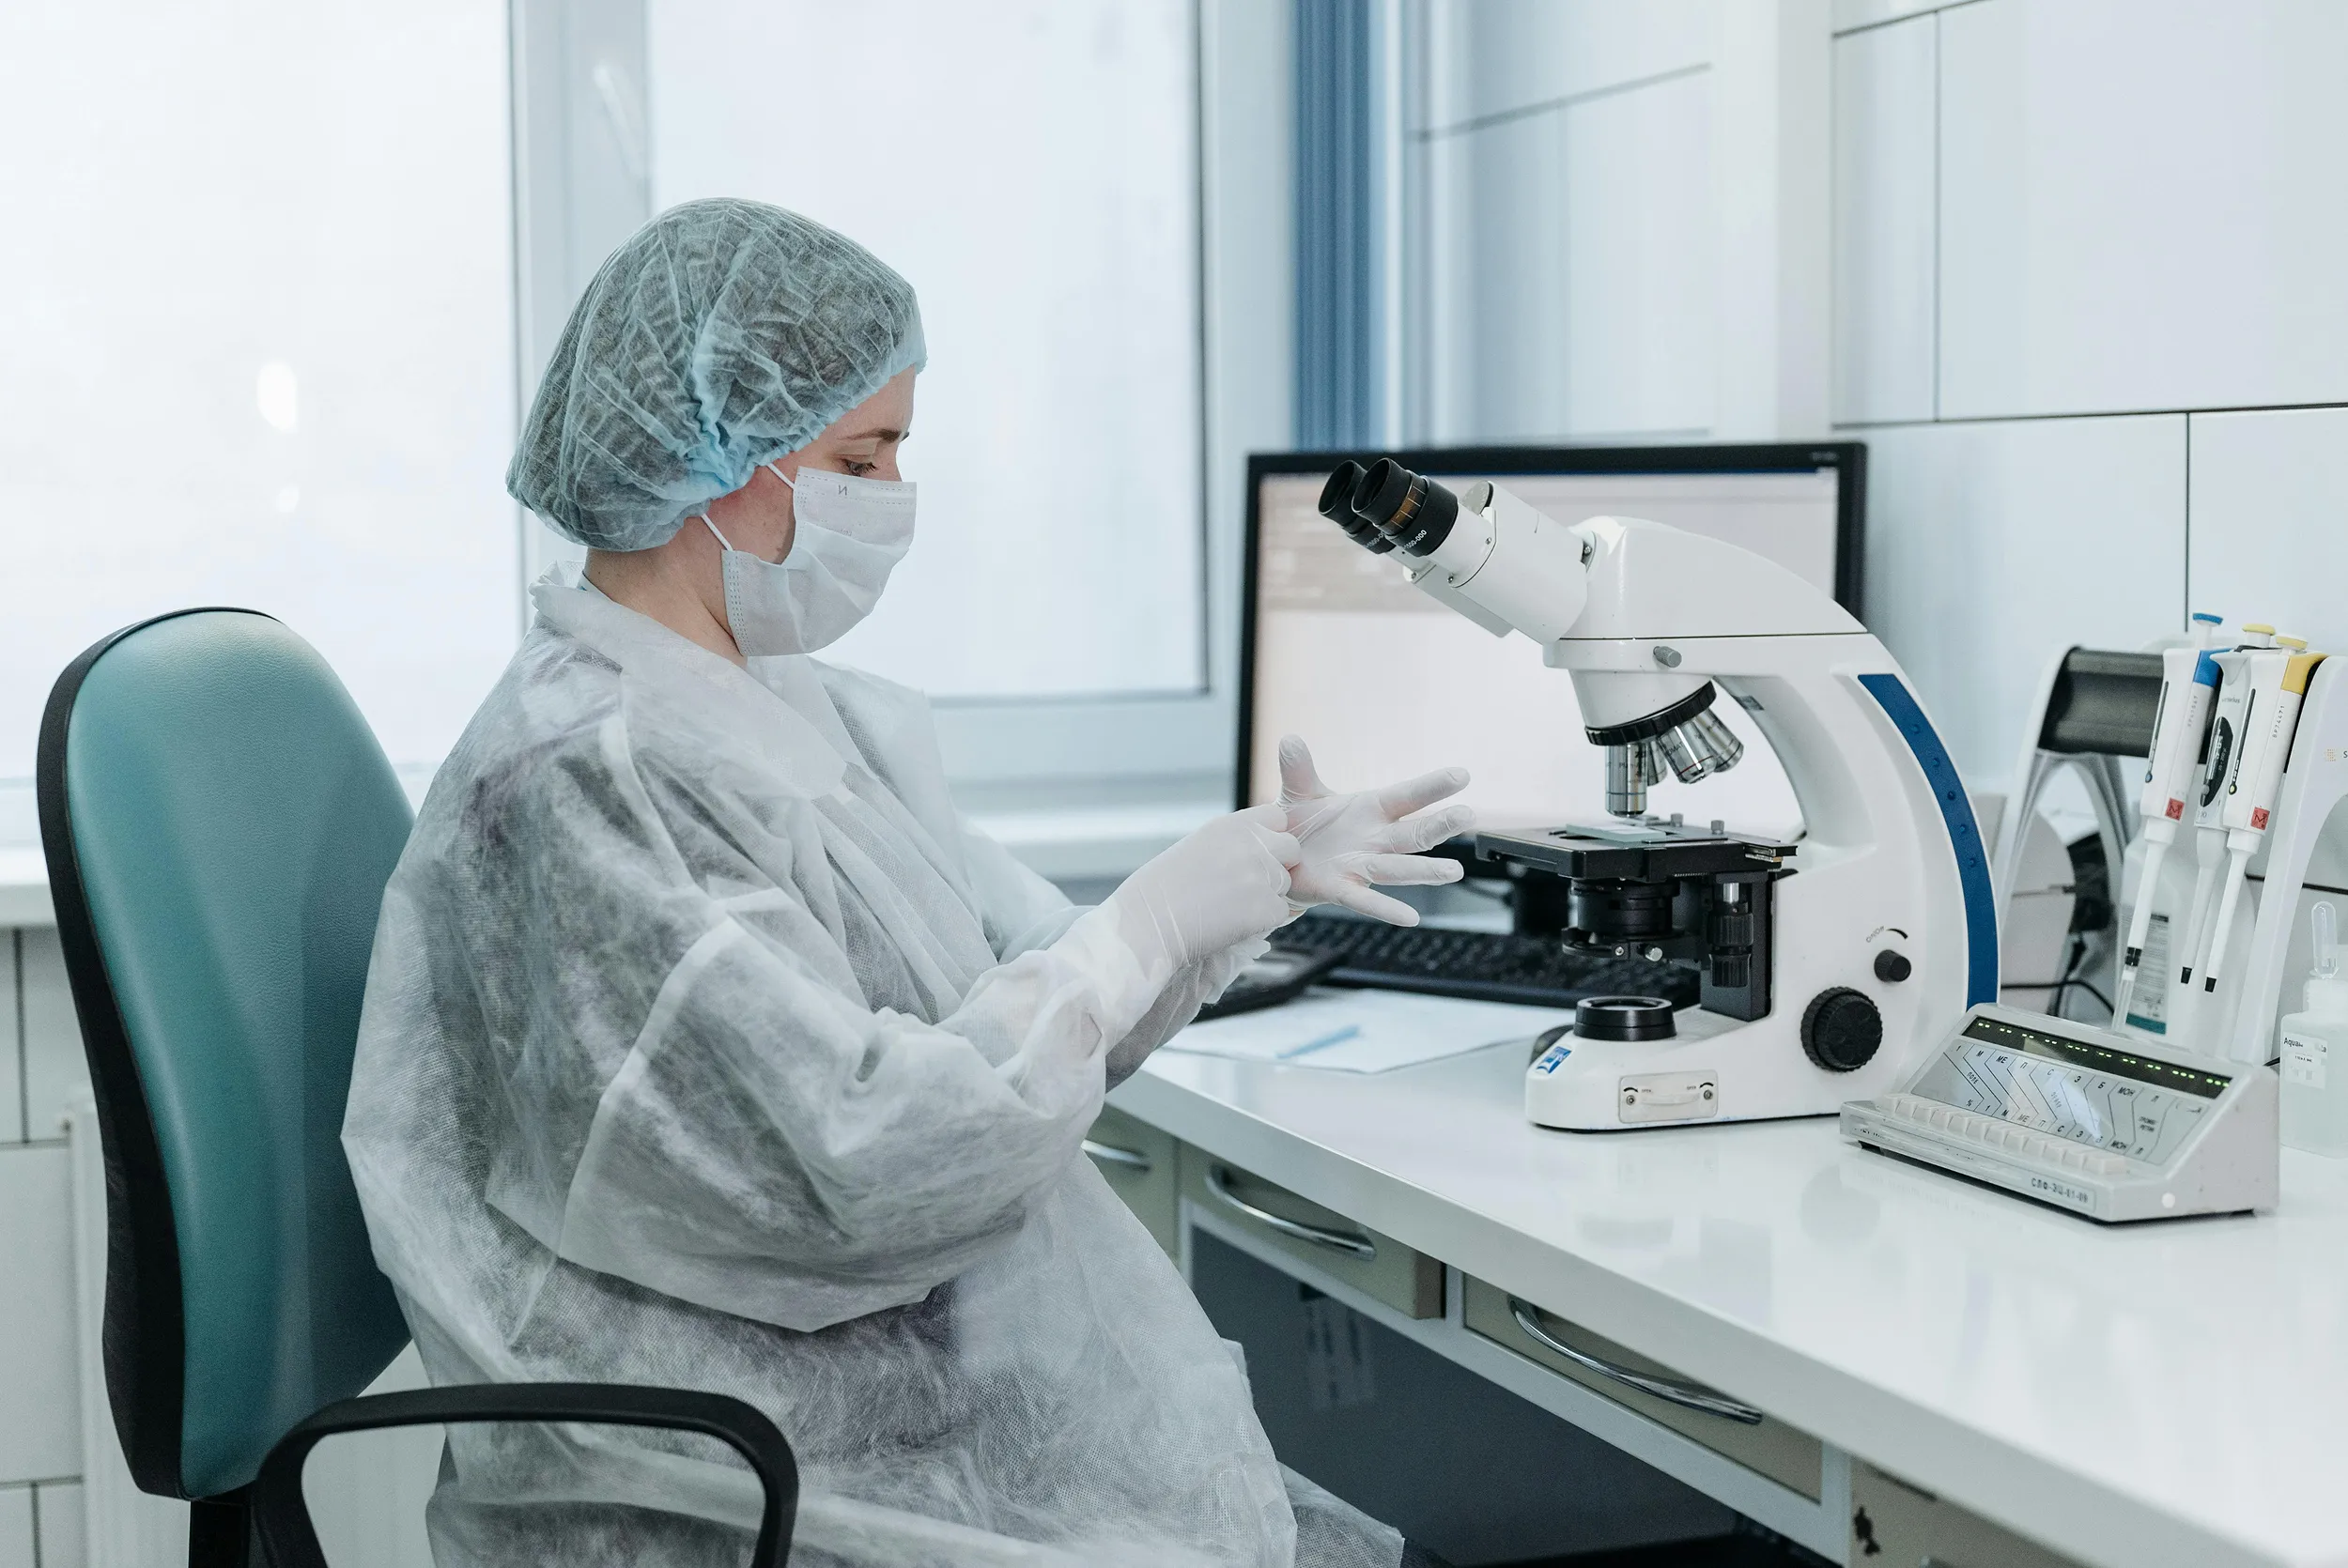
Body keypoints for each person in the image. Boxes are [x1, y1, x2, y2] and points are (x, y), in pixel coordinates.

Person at [344, 198, 1474, 1568]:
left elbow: (999, 982)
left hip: (859, 1413)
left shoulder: (760, 711)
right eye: (861, 454)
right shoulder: (602, 775)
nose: (893, 497)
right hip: (712, 1492)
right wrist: (1146, 923)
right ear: (716, 458)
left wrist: (1233, 899)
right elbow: (866, 1148)